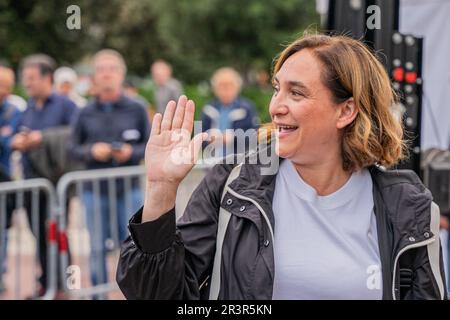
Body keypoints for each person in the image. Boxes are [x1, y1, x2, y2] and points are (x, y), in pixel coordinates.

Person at [116, 34, 446, 300]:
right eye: (277, 89)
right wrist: (161, 188)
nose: (276, 107)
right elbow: (156, 294)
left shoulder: (406, 204)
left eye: (296, 93)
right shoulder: (233, 182)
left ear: (345, 111)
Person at [69, 49, 149, 290]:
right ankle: (98, 294)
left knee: (134, 246)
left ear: (121, 74)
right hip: (94, 191)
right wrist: (91, 151)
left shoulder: (137, 108)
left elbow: (149, 145)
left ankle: (135, 293)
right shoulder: (83, 111)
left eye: (111, 69)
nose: (106, 74)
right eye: (101, 70)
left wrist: (130, 153)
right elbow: (71, 147)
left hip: (129, 189)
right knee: (95, 248)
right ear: (94, 75)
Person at [10, 54, 77, 297]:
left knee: (58, 235)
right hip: (32, 184)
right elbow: (15, 134)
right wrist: (17, 141)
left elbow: (75, 135)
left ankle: (65, 285)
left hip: (56, 184)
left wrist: (43, 138)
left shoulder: (65, 105)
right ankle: (46, 282)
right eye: (24, 79)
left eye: (31, 78)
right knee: (38, 235)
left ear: (47, 77)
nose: (26, 84)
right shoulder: (27, 107)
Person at [201, 67, 259, 158]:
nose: (226, 90)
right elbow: (200, 137)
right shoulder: (209, 108)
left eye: (230, 85)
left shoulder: (246, 108)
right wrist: (209, 138)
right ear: (215, 89)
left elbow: (255, 136)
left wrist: (234, 137)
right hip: (213, 162)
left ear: (237, 87)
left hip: (238, 161)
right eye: (221, 86)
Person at [0, 66, 21, 293]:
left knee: (1, 231)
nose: (4, 90)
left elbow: (8, 140)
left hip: (4, 180)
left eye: (7, 85)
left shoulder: (12, 111)